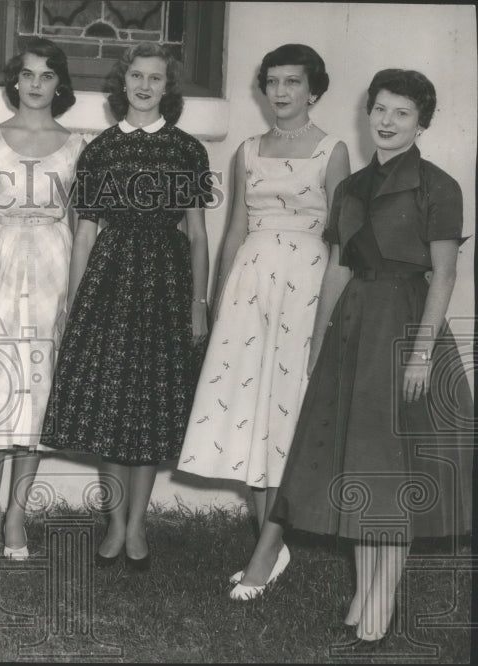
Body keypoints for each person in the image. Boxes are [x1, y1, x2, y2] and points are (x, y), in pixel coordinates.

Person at [271, 69, 473, 647]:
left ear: (421, 122)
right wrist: (316, 345)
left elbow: (445, 275)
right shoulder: (351, 188)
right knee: (360, 465)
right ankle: (364, 591)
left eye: (401, 113)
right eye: (379, 109)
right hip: (354, 329)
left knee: (395, 470)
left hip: (406, 325)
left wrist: (420, 354)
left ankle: (382, 597)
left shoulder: (439, 186)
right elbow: (337, 269)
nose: (386, 121)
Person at [175, 44, 350, 600]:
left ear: (313, 90)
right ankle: (269, 544)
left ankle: (266, 551)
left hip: (304, 284)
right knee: (251, 415)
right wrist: (215, 301)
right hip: (250, 283)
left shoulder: (332, 151)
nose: (280, 92)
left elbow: (341, 242)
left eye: (292, 82)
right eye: (272, 82)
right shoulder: (247, 150)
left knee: (287, 413)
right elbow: (232, 232)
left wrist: (326, 313)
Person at [40, 42, 212, 570]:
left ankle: (139, 524)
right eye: (136, 76)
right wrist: (73, 301)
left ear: (167, 88)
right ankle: (115, 523)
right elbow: (85, 232)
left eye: (155, 79)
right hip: (110, 280)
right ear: (123, 84)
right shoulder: (101, 150)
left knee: (152, 409)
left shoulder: (188, 149)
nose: (144, 86)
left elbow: (199, 236)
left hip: (165, 280)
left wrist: (198, 304)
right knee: (112, 411)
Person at [0, 38, 83, 560]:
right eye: (28, 74)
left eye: (47, 75)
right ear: (15, 80)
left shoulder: (77, 144)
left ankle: (17, 515)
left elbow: (81, 225)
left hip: (52, 265)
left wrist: (75, 293)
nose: (36, 84)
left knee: (35, 391)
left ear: (60, 84)